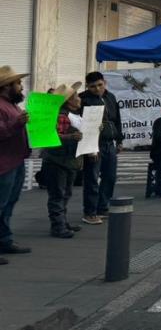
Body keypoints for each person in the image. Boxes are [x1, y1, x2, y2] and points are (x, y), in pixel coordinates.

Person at [40, 83, 85, 238]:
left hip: (66, 160)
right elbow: (52, 137)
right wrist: (71, 137)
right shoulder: (61, 116)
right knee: (58, 194)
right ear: (69, 101)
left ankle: (62, 222)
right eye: (76, 96)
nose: (79, 99)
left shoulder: (72, 115)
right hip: (58, 160)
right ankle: (58, 226)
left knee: (65, 193)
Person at [80, 71, 123, 226]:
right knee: (92, 178)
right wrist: (90, 147)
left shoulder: (110, 97)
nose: (97, 89)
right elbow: (83, 125)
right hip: (93, 144)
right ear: (87, 86)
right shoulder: (83, 99)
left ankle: (102, 207)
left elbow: (117, 119)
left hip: (109, 143)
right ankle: (89, 212)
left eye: (99, 85)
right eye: (93, 87)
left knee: (110, 176)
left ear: (104, 82)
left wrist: (119, 140)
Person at [0, 65, 32, 262]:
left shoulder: (12, 105)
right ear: (6, 86)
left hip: (15, 161)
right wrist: (17, 123)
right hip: (4, 165)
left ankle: (4, 240)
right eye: (18, 83)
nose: (21, 86)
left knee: (9, 204)